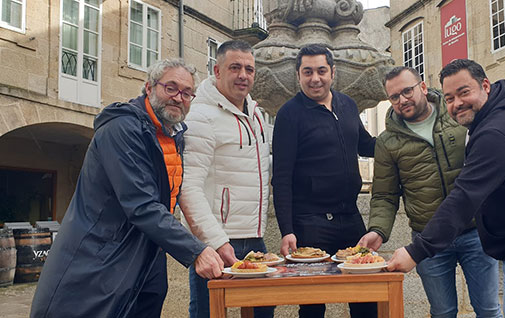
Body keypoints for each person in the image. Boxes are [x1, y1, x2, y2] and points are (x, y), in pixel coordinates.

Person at [30, 58, 224, 318]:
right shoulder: (122, 128)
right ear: (149, 87)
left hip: (145, 254)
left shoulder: (171, 134)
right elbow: (141, 204)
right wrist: (196, 250)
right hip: (100, 257)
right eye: (171, 88)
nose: (179, 98)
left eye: (187, 93)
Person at [387, 59, 505, 317]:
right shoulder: (492, 122)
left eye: (464, 92)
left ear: (485, 86)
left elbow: (465, 197)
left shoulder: (497, 131)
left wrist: (416, 251)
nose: (457, 104)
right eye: (449, 98)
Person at [358, 66, 501, 318]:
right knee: (442, 312)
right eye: (394, 97)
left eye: (407, 91)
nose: (402, 100)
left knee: (488, 309)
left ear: (422, 87)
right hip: (428, 239)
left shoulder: (459, 117)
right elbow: (384, 195)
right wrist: (377, 230)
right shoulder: (387, 142)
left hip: (475, 232)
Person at [272, 44, 377, 318]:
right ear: (298, 75)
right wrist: (287, 230)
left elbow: (366, 145)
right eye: (307, 72)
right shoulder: (289, 114)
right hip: (310, 221)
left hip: (350, 217)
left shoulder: (348, 104)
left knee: (365, 296)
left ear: (333, 72)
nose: (314, 78)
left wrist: (401, 140)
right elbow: (281, 177)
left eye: (321, 70)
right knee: (312, 302)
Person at [179, 40, 274, 318]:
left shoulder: (256, 114)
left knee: (264, 310)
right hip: (216, 240)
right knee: (207, 312)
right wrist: (215, 242)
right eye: (235, 67)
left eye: (249, 69)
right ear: (217, 71)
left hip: (254, 238)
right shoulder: (200, 116)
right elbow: (189, 189)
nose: (243, 75)